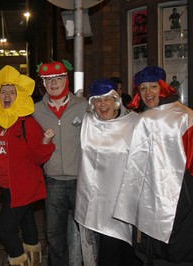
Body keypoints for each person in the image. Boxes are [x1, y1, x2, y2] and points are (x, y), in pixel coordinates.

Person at [114, 66, 193, 264]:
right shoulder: (144, 118)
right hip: (151, 190)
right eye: (143, 88)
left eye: (153, 87)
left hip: (180, 192)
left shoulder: (183, 116)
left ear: (163, 88)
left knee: (175, 247)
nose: (148, 93)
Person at [0, 65, 55, 265]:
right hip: (7, 187)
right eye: (3, 92)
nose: (7, 95)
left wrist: (45, 142)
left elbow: (39, 158)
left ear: (19, 96)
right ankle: (34, 259)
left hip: (24, 186)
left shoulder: (27, 123)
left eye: (12, 92)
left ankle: (19, 261)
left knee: (5, 230)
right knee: (27, 222)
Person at [75, 79, 141, 266]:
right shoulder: (87, 123)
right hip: (93, 199)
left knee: (122, 246)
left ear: (116, 101)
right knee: (103, 249)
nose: (103, 104)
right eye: (98, 100)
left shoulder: (134, 122)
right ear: (92, 104)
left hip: (123, 197)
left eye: (107, 99)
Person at [33, 60, 87, 266]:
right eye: (48, 80)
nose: (54, 83)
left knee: (86, 232)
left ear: (67, 79)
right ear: (43, 84)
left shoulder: (84, 106)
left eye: (58, 78)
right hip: (53, 180)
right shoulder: (35, 110)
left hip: (81, 180)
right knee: (54, 234)